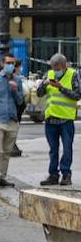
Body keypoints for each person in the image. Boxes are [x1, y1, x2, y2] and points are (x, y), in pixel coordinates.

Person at [0, 55, 24, 191]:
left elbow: (20, 101)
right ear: (2, 63)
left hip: (12, 120)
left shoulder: (17, 80)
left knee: (7, 152)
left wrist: (15, 91)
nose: (11, 65)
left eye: (13, 63)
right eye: (8, 63)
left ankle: (2, 177)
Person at [40, 52, 78, 186]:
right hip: (51, 119)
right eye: (53, 68)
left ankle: (66, 174)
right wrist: (43, 85)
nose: (55, 71)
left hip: (66, 119)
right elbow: (39, 94)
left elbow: (77, 95)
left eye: (58, 68)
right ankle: (53, 174)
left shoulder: (73, 75)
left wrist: (61, 88)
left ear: (64, 65)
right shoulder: (49, 74)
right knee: (53, 150)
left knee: (67, 148)